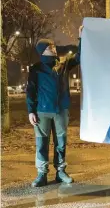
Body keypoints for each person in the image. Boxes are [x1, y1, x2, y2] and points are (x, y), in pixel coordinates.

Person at [26, 26, 83, 187]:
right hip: (42, 112)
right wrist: (31, 111)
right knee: (42, 143)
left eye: (53, 45)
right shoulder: (36, 69)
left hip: (61, 111)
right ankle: (42, 174)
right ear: (43, 51)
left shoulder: (63, 64)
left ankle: (60, 172)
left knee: (61, 143)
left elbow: (80, 57)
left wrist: (81, 38)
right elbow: (30, 91)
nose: (54, 48)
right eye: (50, 47)